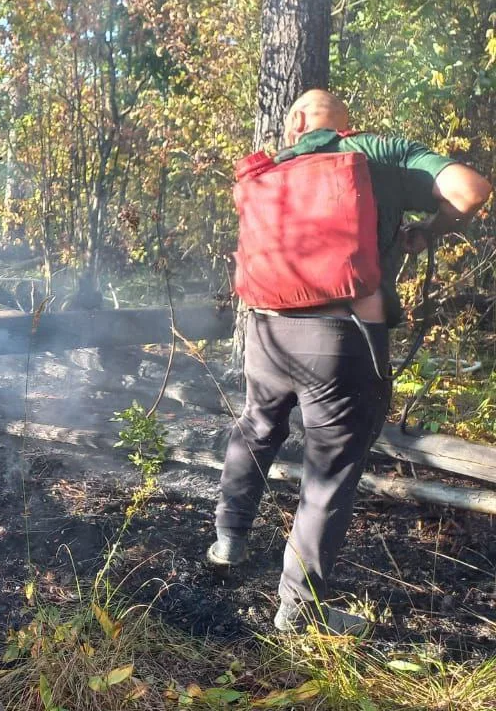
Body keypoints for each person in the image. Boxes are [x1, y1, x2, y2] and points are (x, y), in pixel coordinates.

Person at [208, 90, 492, 634]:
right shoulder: (377, 152)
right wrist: (428, 231)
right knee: (330, 468)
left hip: (266, 331)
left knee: (257, 427)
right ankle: (298, 608)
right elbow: (470, 190)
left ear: (296, 121)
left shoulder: (274, 166)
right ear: (344, 124)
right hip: (341, 338)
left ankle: (227, 542)